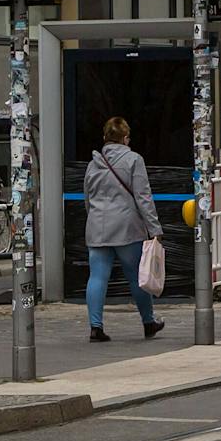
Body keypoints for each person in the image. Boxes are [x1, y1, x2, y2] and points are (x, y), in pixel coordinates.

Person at [83, 116, 165, 344]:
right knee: (136, 276)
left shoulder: (93, 164)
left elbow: (87, 198)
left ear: (105, 138)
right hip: (126, 229)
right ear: (126, 138)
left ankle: (95, 327)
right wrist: (154, 227)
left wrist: (94, 217)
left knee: (97, 276)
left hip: (97, 228)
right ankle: (148, 322)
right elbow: (143, 197)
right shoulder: (133, 160)